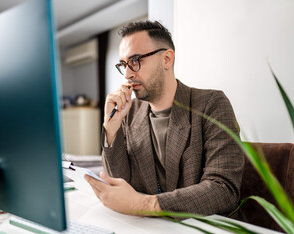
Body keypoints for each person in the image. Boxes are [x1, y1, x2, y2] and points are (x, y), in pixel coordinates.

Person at [85, 20, 244, 217]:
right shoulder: (129, 112)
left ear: (167, 59)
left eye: (135, 61)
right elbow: (120, 186)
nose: (127, 74)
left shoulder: (212, 104)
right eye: (123, 64)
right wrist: (111, 129)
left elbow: (224, 189)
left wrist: (145, 204)